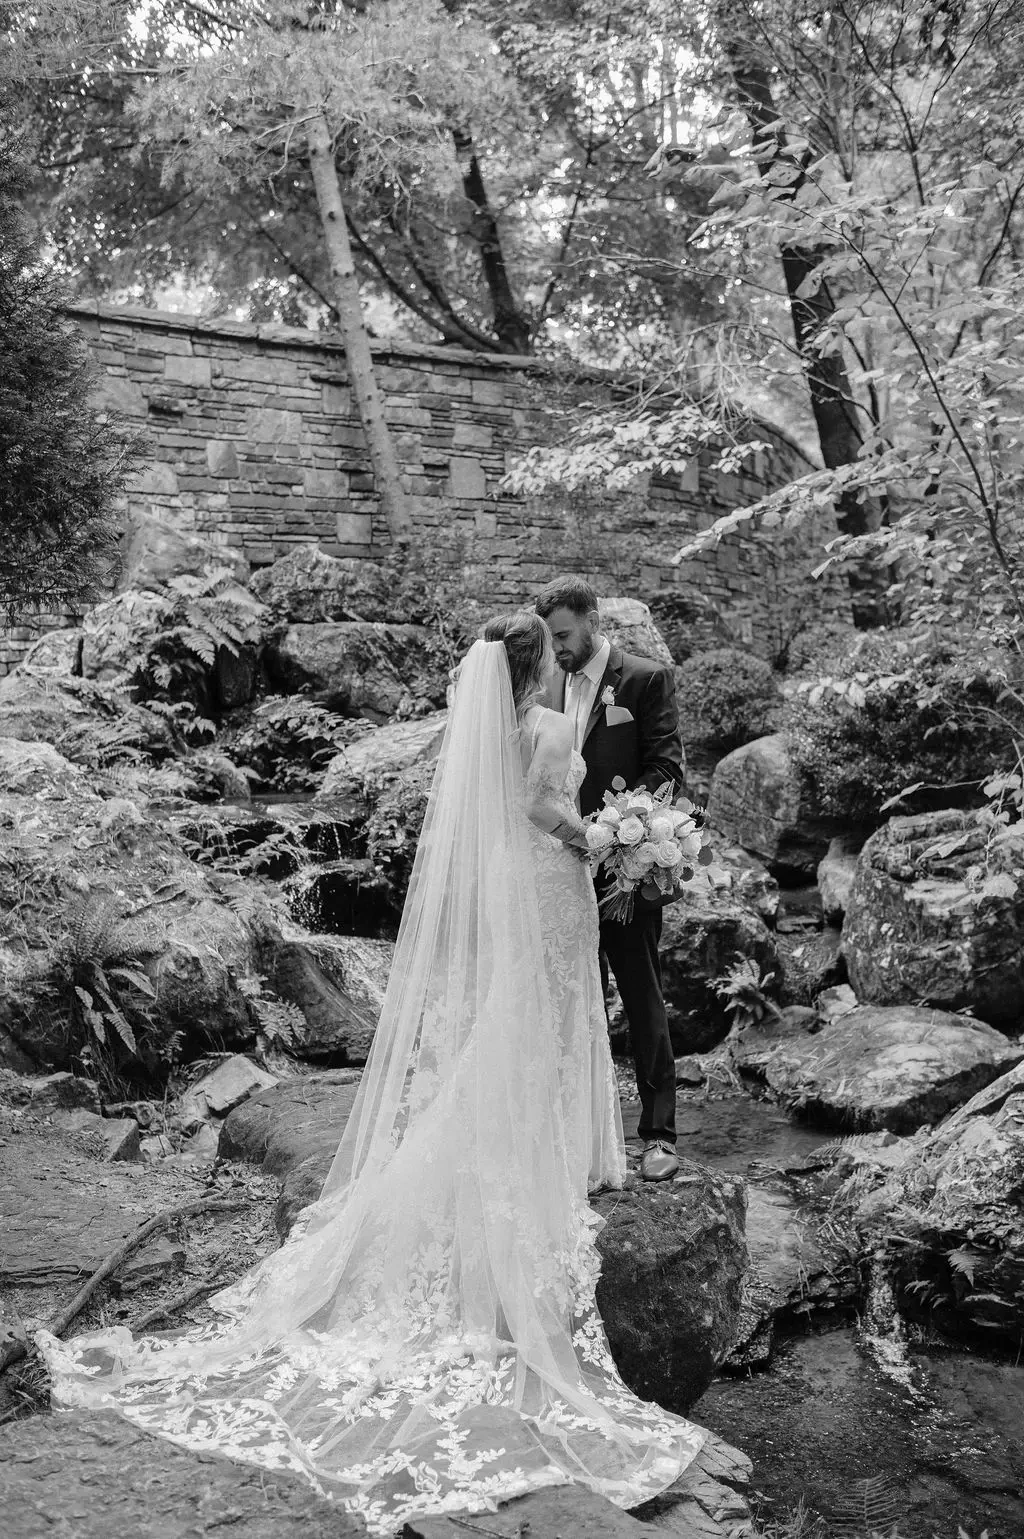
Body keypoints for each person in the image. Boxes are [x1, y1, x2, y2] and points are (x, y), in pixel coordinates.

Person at [38, 612, 703, 1538]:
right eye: (548, 646)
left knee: (533, 1024)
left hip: (545, 889)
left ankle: (545, 1148)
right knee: (544, 1023)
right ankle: (544, 1160)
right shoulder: (545, 723)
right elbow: (544, 810)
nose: (559, 651)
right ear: (536, 660)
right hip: (556, 879)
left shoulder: (502, 724)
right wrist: (605, 838)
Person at [535, 577, 684, 1183]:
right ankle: (586, 1135)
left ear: (592, 619)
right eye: (551, 639)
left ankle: (660, 1134)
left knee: (641, 992)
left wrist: (631, 844)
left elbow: (667, 768)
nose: (559, 648)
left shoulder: (644, 678)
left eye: (565, 635)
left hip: (626, 866)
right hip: (562, 868)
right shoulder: (548, 685)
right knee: (578, 1000)